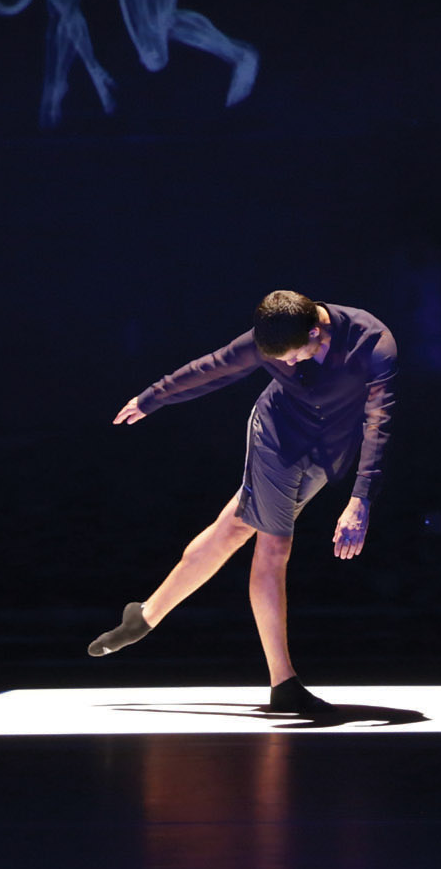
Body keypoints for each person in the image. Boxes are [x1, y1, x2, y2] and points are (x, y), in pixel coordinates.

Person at [89, 290, 397, 715]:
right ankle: (283, 684)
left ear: (316, 330)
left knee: (234, 528)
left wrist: (361, 498)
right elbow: (215, 367)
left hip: (329, 452)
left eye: (292, 357)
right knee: (274, 545)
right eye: (281, 360)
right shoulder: (272, 338)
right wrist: (153, 397)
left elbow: (379, 422)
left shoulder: (372, 342)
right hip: (278, 438)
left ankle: (142, 617)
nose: (287, 365)